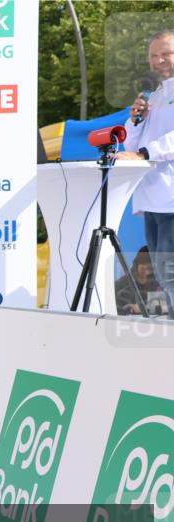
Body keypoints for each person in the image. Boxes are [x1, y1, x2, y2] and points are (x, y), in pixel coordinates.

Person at [117, 29, 174, 315]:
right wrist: (135, 120)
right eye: (154, 56)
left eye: (166, 53)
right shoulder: (155, 95)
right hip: (151, 201)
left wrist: (144, 153)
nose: (159, 61)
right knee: (165, 279)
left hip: (171, 201)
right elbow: (131, 143)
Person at [116, 246, 168, 316]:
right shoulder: (121, 287)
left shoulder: (163, 282)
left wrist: (144, 308)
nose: (148, 272)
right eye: (144, 267)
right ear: (137, 265)